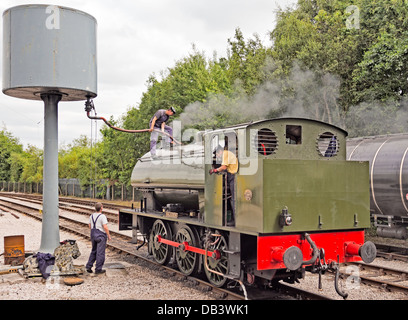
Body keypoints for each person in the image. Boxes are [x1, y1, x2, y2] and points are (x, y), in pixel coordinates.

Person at [209, 145, 239, 226]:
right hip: (231, 176)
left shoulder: (225, 154)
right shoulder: (227, 153)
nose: (217, 156)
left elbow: (224, 167)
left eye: (217, 154)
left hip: (233, 176)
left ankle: (235, 220)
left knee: (233, 199)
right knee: (232, 198)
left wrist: (215, 170)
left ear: (220, 151)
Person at [86, 202, 111, 274]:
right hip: (100, 235)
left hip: (93, 234)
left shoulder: (91, 216)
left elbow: (90, 226)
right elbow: (105, 227)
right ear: (101, 208)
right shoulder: (102, 216)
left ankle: (88, 266)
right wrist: (108, 235)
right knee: (100, 253)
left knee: (94, 251)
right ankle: (98, 269)